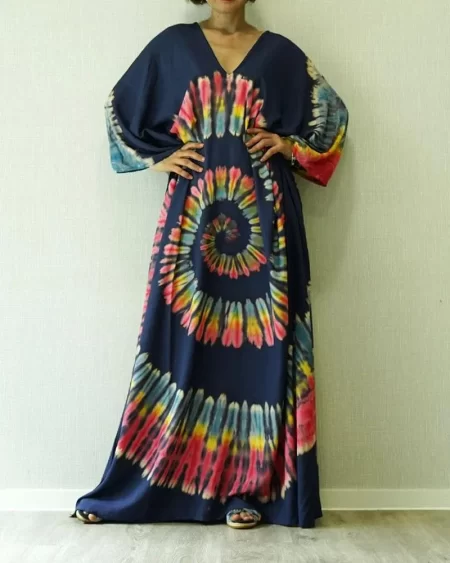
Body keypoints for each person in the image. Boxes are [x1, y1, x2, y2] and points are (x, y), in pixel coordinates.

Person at [72, 0, 349, 529]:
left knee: (262, 355)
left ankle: (252, 493)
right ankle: (154, 487)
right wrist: (159, 158)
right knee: (173, 349)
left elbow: (333, 125)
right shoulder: (171, 48)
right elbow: (118, 111)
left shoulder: (280, 55)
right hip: (191, 225)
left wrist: (288, 145)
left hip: (266, 228)